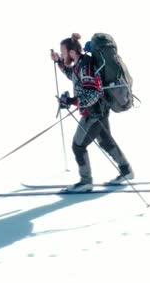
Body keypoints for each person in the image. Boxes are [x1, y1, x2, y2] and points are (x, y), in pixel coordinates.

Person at [51, 32, 134, 192]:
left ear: (72, 52)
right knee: (105, 142)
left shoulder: (86, 67)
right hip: (99, 111)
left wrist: (72, 101)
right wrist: (59, 62)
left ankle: (85, 182)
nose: (62, 54)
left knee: (78, 146)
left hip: (93, 113)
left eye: (63, 52)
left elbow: (94, 94)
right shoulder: (81, 64)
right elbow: (73, 75)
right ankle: (126, 170)